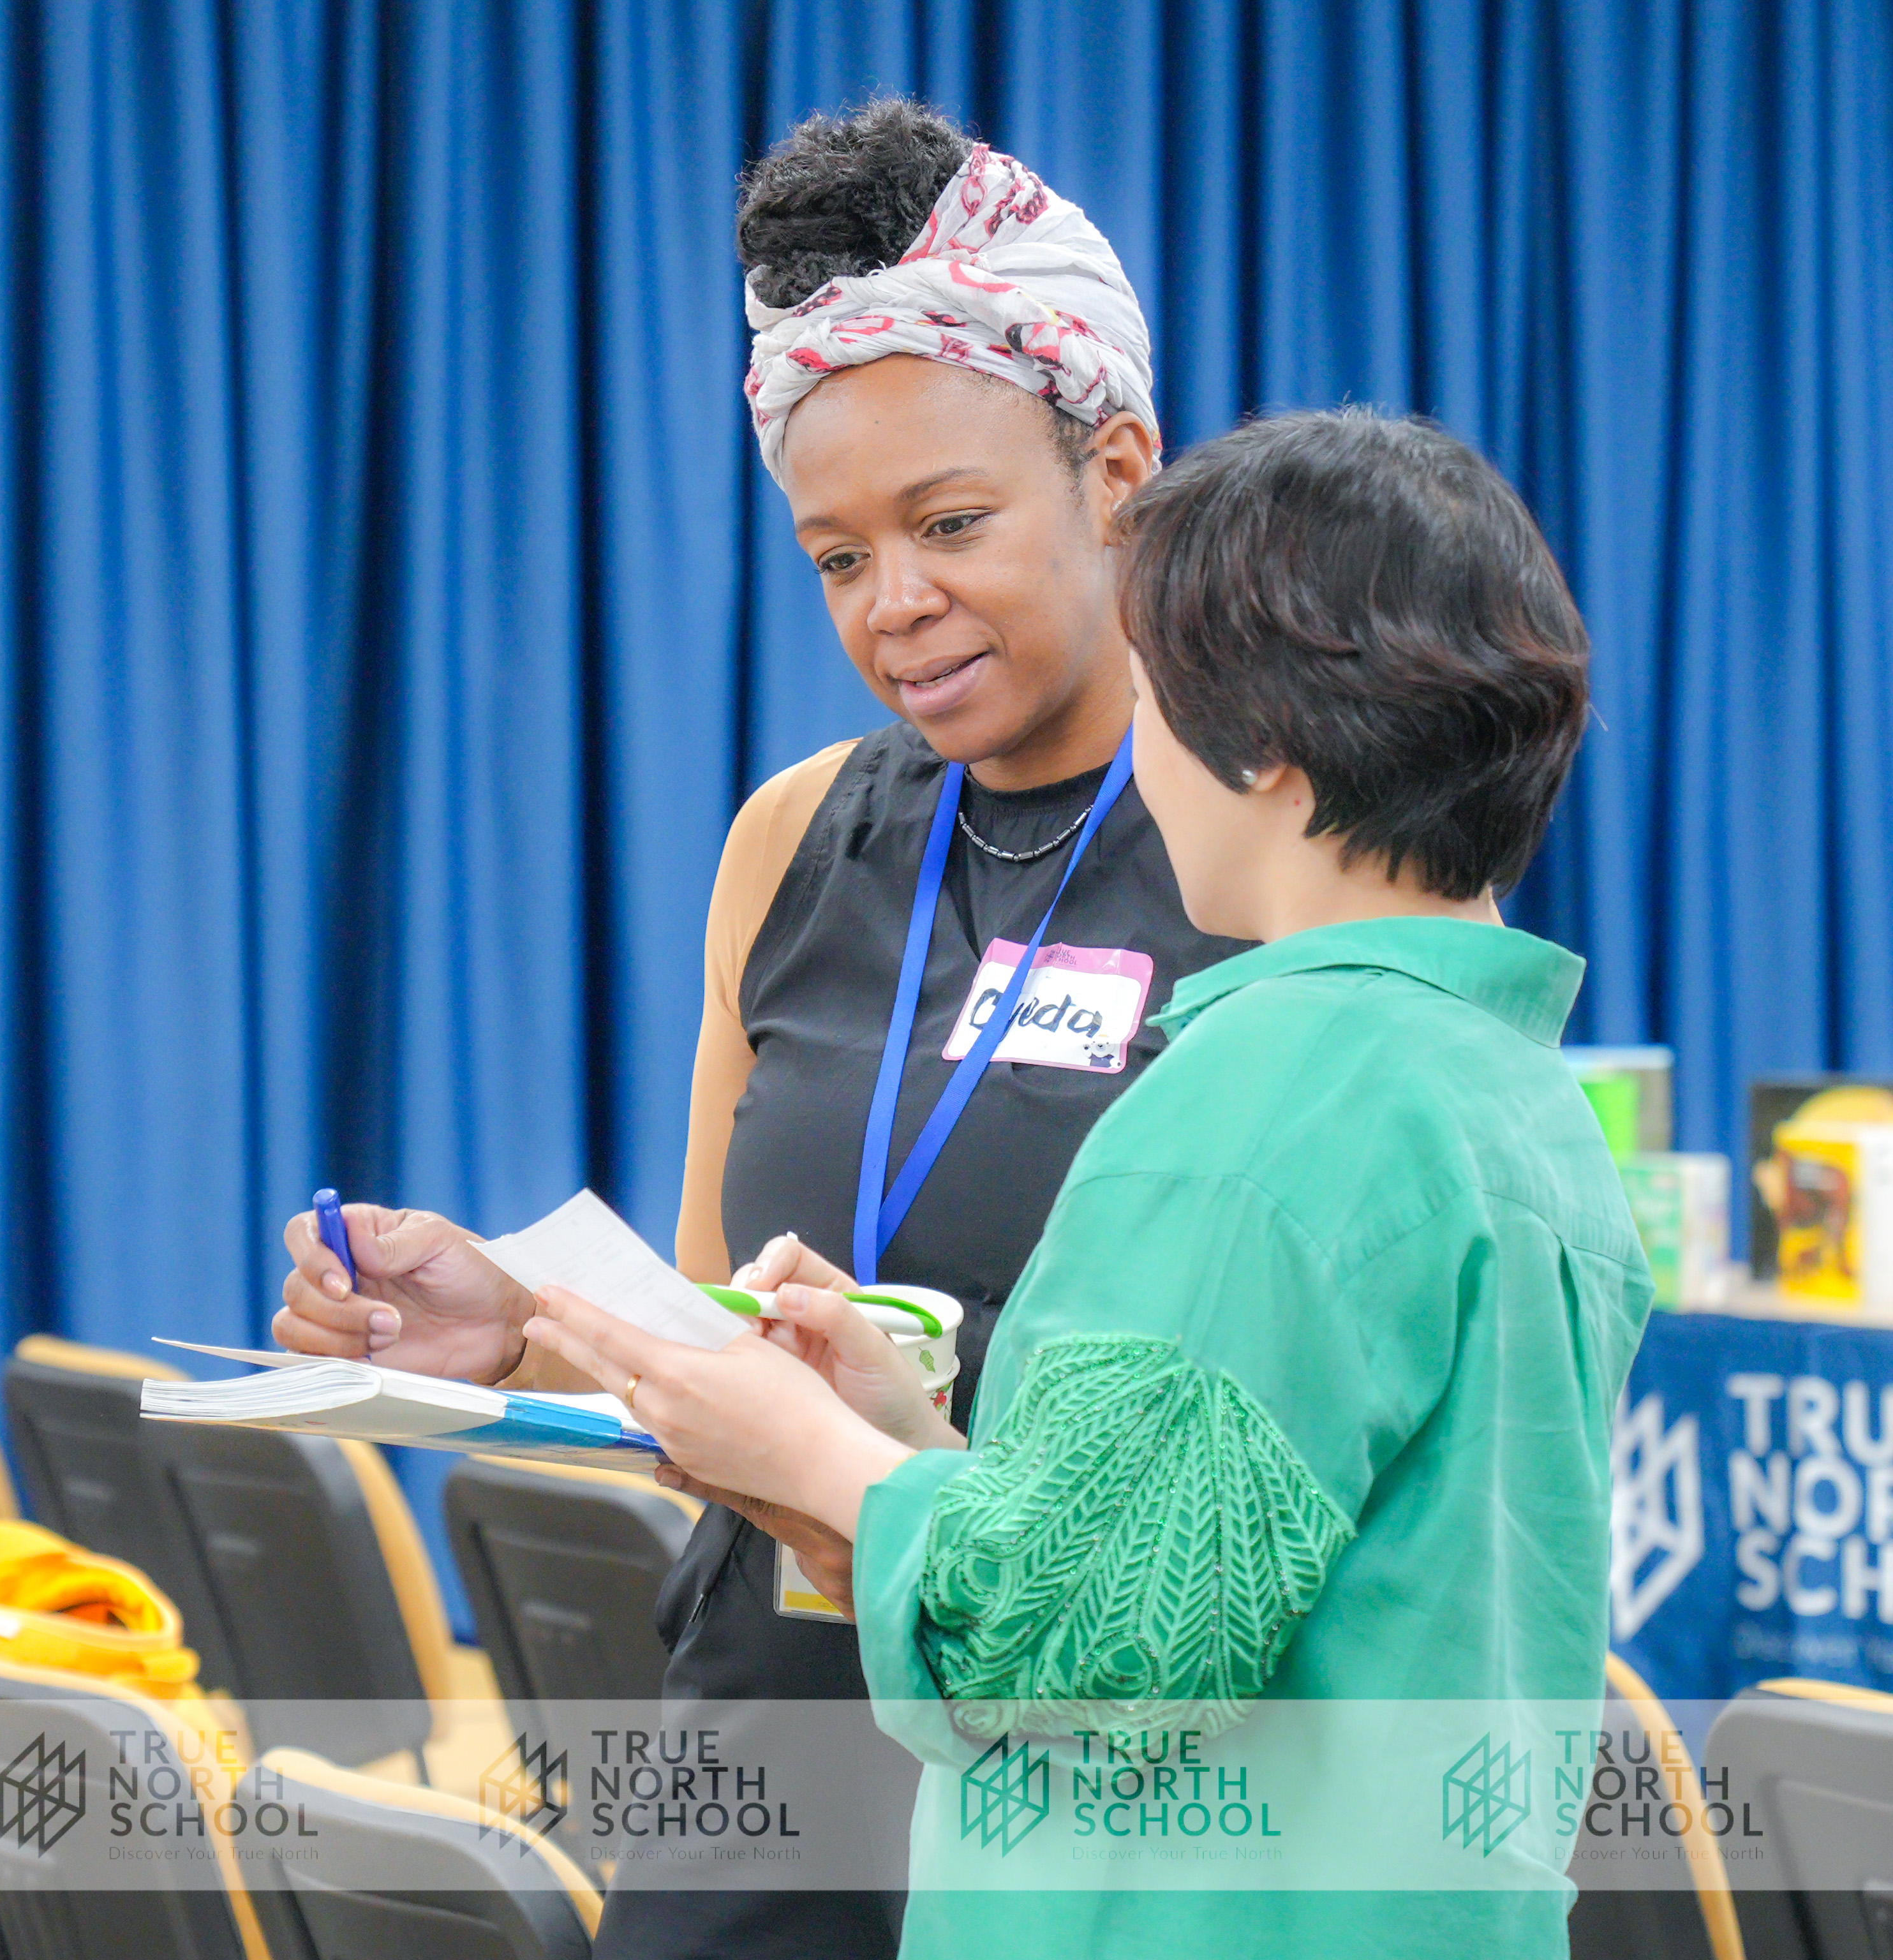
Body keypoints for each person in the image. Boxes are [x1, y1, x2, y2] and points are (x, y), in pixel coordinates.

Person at [272, 100, 1240, 1959]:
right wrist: (519, 1327)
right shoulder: (798, 838)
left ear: (1120, 470)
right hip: (770, 1745)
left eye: (950, 525)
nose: (897, 608)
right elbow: (730, 1321)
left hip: (1085, 1768)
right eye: (837, 558)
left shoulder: (1265, 849)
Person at [521, 405, 1652, 1958]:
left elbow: (1089, 1648)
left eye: (1155, 697)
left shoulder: (1263, 1092)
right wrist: (908, 1433)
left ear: (1259, 743)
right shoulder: (1509, 1093)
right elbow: (1239, 1538)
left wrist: (816, 1454)